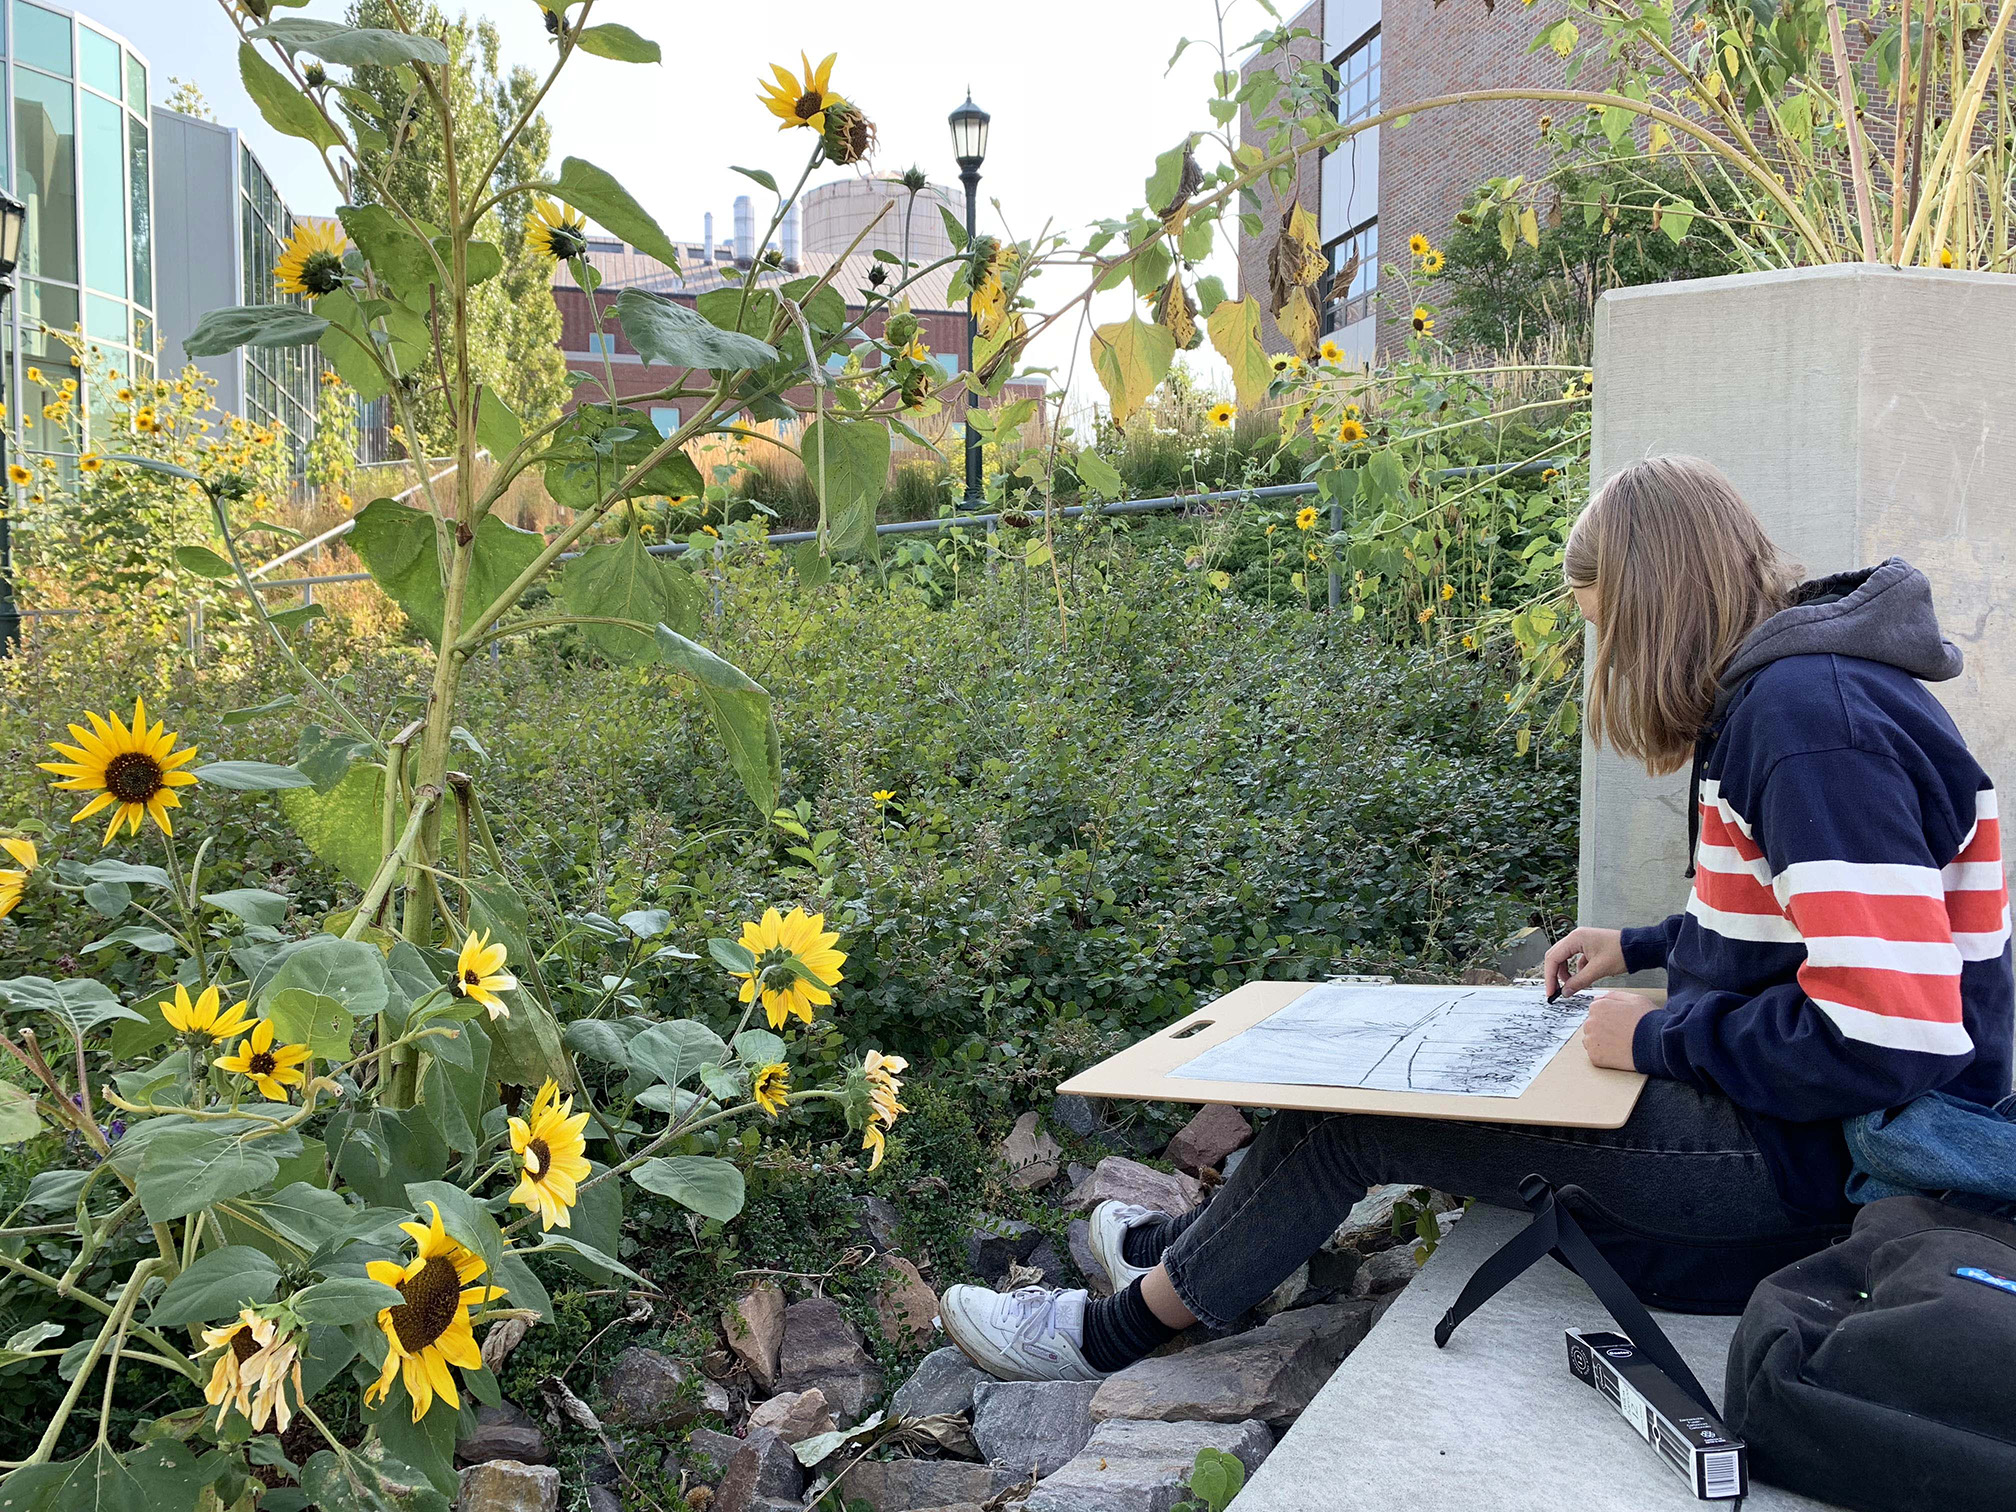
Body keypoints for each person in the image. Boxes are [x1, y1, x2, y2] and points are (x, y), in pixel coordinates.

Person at [939, 454, 2014, 1383]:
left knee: (1363, 1113)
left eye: (1607, 634)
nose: (1610, 666)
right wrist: (1641, 948)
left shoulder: (1806, 720)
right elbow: (1806, 938)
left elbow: (1890, 1029)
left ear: (1650, 607)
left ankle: (1118, 1334)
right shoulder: (1805, 691)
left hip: (1812, 1163)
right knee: (1365, 1085)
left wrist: (1655, 1031)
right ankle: (1196, 1246)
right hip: (1794, 1123)